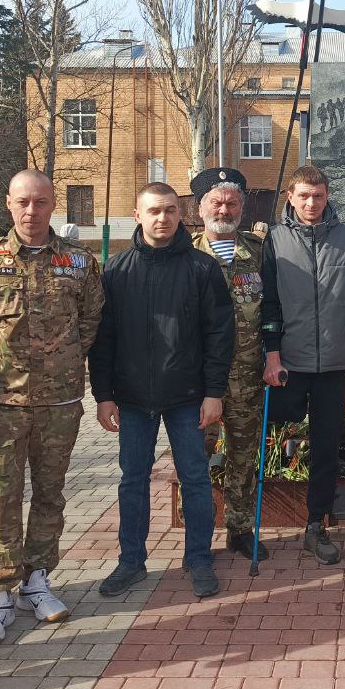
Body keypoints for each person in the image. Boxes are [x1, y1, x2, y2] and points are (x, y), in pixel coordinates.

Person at [0, 170, 104, 647]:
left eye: (40, 202)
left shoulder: (79, 262)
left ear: (53, 203)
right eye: (23, 202)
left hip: (59, 405)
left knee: (49, 495)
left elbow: (90, 322)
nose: (31, 211)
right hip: (2, 405)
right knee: (1, 501)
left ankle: (37, 578)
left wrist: (65, 367)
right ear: (8, 203)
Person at [89, 182, 234, 598]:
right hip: (132, 398)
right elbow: (104, 340)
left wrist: (213, 392)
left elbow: (218, 336)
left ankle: (199, 558)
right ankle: (131, 561)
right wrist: (103, 395)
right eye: (153, 211)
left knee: (195, 478)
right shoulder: (115, 272)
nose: (162, 218)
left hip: (187, 396)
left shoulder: (202, 269)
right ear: (137, 215)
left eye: (170, 211)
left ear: (180, 215)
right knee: (132, 480)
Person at [260, 164, 345, 565]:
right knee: (271, 434)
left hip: (335, 365)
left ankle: (315, 525)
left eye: (319, 196)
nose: (312, 203)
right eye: (304, 196)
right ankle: (249, 520)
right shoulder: (273, 241)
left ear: (328, 197)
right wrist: (271, 353)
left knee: (327, 447)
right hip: (289, 363)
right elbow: (268, 303)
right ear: (290, 198)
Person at [189, 168, 268, 562]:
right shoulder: (186, 254)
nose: (225, 209)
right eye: (216, 202)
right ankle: (197, 537)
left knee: (243, 456)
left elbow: (273, 309)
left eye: (232, 202)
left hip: (247, 376)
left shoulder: (258, 251)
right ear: (200, 208)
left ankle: (240, 530)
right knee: (195, 459)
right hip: (198, 380)